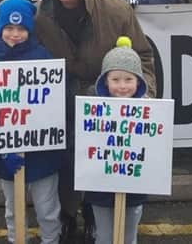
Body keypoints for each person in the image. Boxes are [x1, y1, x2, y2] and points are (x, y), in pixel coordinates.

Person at [35, 0, 156, 242]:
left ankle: (92, 218)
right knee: (64, 165)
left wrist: (144, 97)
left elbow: (143, 57)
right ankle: (66, 217)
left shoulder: (116, 10)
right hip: (60, 104)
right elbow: (17, 46)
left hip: (106, 103)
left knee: (102, 164)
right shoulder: (38, 18)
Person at [0, 0, 62, 244]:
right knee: (13, 210)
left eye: (20, 29)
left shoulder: (44, 58)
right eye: (8, 28)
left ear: (29, 29)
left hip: (43, 155)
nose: (14, 34)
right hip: (7, 152)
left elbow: (56, 105)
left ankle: (51, 241)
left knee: (47, 210)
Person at [85, 36, 149, 244]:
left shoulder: (150, 109)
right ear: (105, 80)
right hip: (100, 187)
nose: (122, 86)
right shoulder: (93, 108)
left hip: (134, 187)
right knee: (104, 236)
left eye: (128, 79)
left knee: (129, 236)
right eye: (116, 80)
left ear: (138, 81)